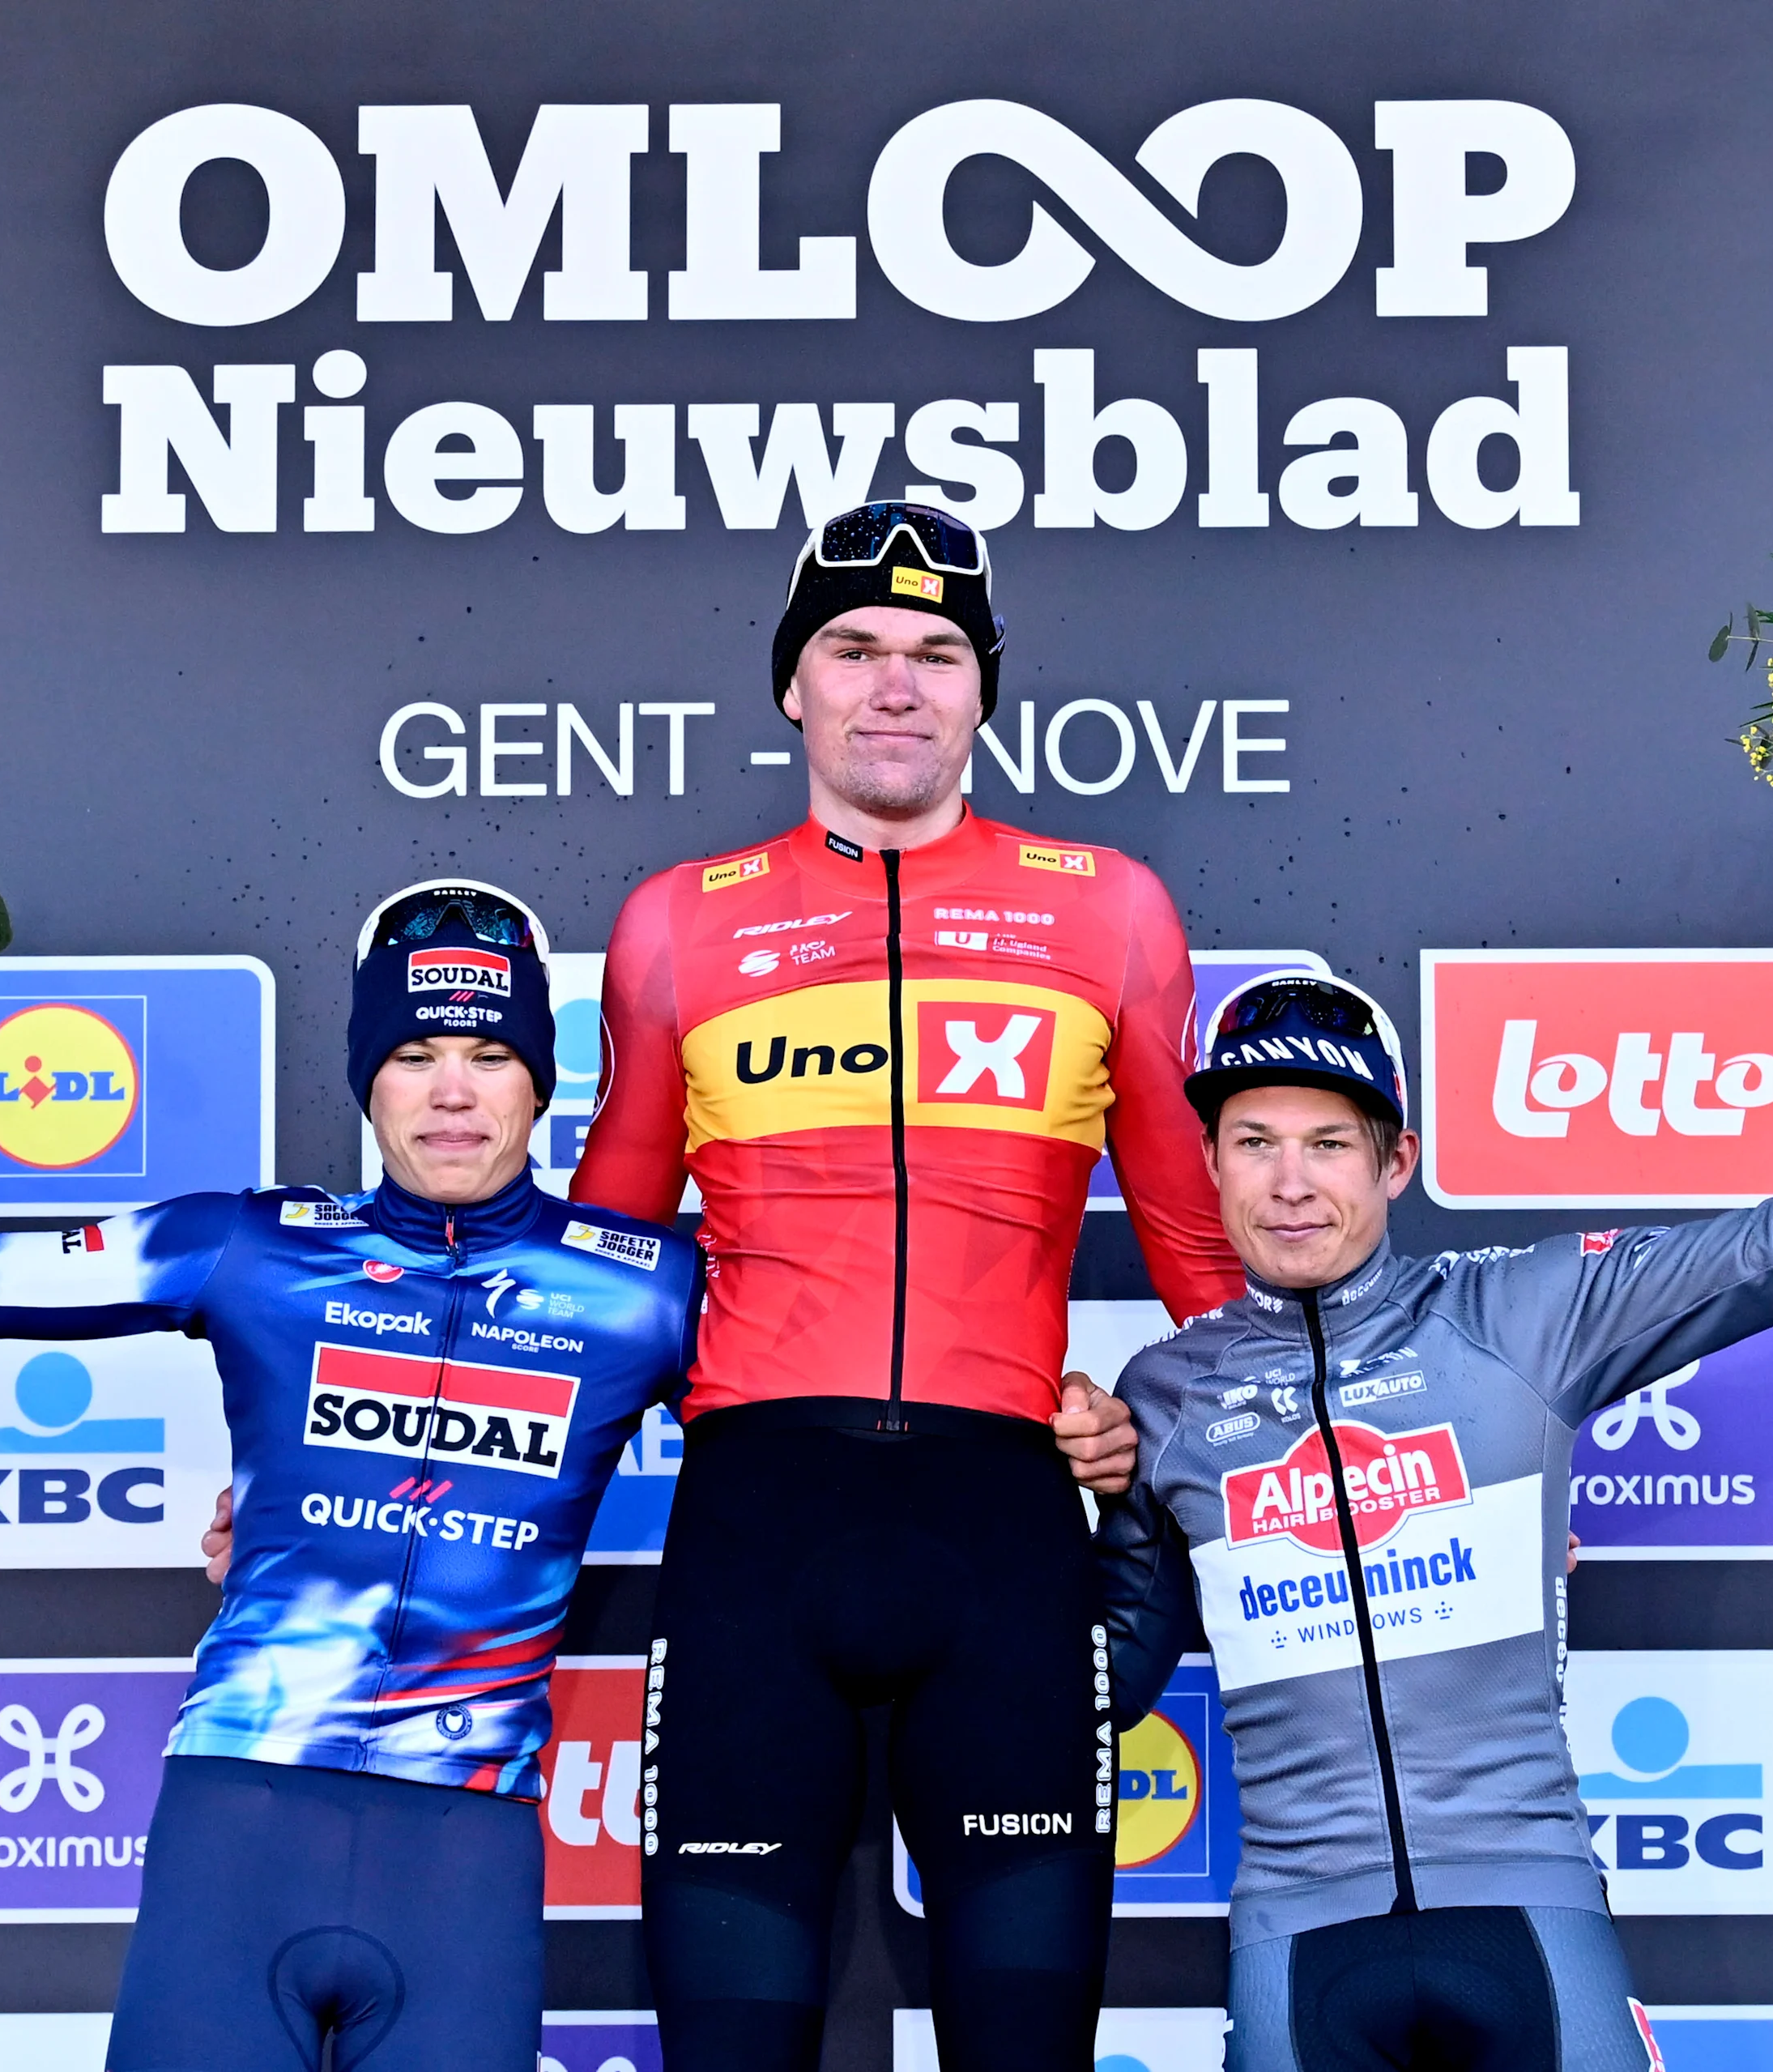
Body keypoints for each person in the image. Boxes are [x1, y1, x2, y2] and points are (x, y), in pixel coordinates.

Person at [0, 882, 701, 2072]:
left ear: (545, 1079)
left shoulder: (644, 1291)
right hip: (241, 1827)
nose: (454, 1091)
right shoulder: (256, 1247)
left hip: (465, 1861)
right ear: (367, 1078)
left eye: (490, 1053)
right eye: (414, 1053)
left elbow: (841, 1429)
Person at [1094, 868, 1773, 2072]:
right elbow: (1102, 1682)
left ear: (1396, 1161)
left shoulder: (1520, 1312)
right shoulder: (1167, 1393)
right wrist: (1024, 1484)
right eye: (1254, 1142)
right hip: (1299, 1940)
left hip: (1528, 1912)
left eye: (1327, 1144)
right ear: (1208, 1160)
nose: (1291, 1182)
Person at [565, 501, 1242, 2072]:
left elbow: (1203, 1260)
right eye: (854, 647)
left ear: (984, 694)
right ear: (791, 685)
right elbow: (592, 1275)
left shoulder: (1110, 910)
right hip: (754, 1531)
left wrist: (1331, 1463)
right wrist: (378, 1489)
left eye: (938, 653)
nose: (895, 684)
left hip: (1000, 1535)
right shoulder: (679, 924)